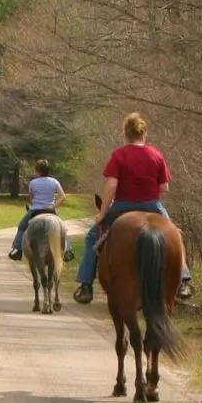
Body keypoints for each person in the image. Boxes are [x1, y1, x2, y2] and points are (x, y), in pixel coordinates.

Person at [74, 112, 193, 304]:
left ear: (126, 134)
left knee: (91, 237)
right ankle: (183, 281)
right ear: (143, 134)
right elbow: (164, 187)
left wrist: (102, 213)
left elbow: (111, 186)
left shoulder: (119, 155)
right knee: (175, 235)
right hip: (152, 205)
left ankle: (86, 285)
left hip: (122, 204)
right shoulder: (156, 155)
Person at [8, 159, 75, 262]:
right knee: (63, 229)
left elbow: (30, 198)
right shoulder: (54, 181)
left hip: (35, 210)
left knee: (21, 226)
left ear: (37, 170)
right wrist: (54, 206)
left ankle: (17, 250)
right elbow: (63, 197)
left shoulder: (33, 183)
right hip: (50, 210)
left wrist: (34, 202)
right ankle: (68, 250)